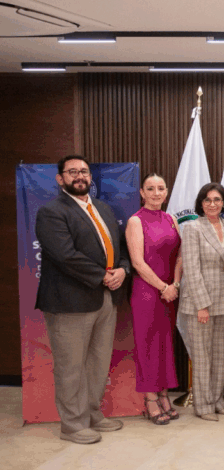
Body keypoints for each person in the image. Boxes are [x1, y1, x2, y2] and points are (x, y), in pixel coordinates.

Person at [35, 155, 130, 444]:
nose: (79, 176)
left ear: (90, 177)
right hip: (69, 302)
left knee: (98, 363)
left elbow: (120, 246)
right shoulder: (51, 212)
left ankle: (92, 414)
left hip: (106, 298)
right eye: (72, 171)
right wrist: (103, 276)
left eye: (84, 171)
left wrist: (123, 270)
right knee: (71, 367)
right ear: (60, 178)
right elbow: (65, 255)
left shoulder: (102, 208)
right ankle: (72, 425)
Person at [126, 173, 182, 425]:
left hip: (170, 293)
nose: (156, 193)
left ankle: (164, 395)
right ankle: (150, 400)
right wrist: (163, 287)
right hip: (147, 292)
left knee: (165, 345)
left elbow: (180, 256)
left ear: (166, 192)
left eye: (160, 188)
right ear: (142, 193)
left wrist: (175, 285)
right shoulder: (135, 221)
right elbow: (137, 262)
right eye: (150, 188)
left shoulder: (171, 219)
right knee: (147, 345)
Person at [179, 182, 224, 422]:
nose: (212, 204)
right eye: (207, 200)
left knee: (221, 355)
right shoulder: (192, 228)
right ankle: (202, 405)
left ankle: (217, 400)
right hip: (200, 303)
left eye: (217, 199)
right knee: (202, 356)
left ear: (223, 203)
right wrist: (201, 305)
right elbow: (191, 269)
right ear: (201, 204)